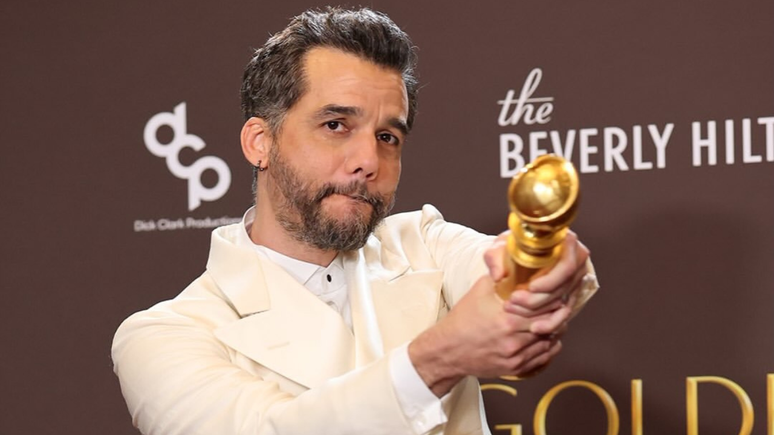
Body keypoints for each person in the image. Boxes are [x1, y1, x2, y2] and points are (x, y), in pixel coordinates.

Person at [112, 7, 598, 435]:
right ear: (260, 142)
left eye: (387, 137)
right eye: (335, 125)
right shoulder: (162, 336)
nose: (368, 160)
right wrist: (437, 359)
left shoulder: (422, 242)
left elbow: (505, 272)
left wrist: (540, 260)